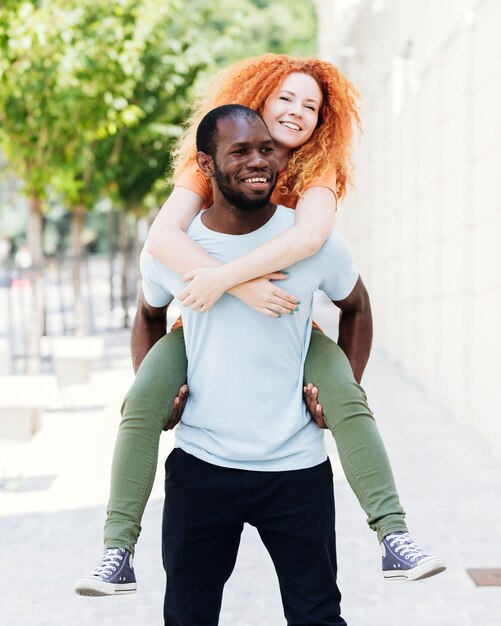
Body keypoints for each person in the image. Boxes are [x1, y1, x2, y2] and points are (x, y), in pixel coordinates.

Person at [75, 55, 445, 598]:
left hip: (288, 317)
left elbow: (307, 242)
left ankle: (395, 536)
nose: (296, 113)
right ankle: (116, 551)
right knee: (141, 399)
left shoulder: (317, 168)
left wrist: (231, 281)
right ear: (260, 98)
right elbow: (161, 241)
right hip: (200, 320)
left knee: (345, 394)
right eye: (286, 99)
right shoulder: (217, 150)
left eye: (311, 106)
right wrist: (231, 287)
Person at [154, 104, 354, 624]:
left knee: (318, 615)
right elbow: (147, 313)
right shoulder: (176, 248)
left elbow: (357, 308)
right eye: (239, 151)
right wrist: (159, 397)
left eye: (265, 149)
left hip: (296, 468)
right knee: (187, 616)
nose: (257, 161)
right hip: (201, 464)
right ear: (205, 163)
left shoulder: (314, 240)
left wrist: (343, 395)